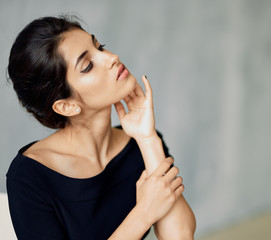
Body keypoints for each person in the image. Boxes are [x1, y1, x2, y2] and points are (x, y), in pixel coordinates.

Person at [6, 15, 196, 240]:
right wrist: (144, 213)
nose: (112, 57)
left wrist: (147, 139)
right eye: (87, 66)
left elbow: (181, 236)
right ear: (67, 106)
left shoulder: (139, 146)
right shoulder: (30, 178)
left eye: (100, 47)